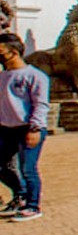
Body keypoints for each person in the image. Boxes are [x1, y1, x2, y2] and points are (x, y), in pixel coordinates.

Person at [0, 32, 49, 222]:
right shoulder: (3, 76)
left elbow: (40, 104)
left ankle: (33, 205)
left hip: (28, 127)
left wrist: (35, 129)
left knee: (28, 168)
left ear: (13, 52)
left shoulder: (35, 76)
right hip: (6, 127)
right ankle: (21, 195)